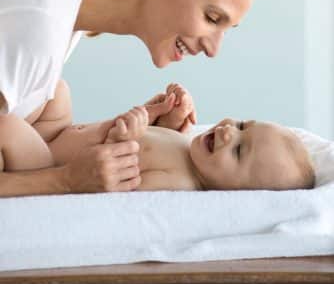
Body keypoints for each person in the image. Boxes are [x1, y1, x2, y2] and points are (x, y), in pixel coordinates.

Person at [0, 0, 267, 196]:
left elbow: (37, 139)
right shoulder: (41, 23)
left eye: (226, 29)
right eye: (212, 17)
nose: (213, 49)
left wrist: (114, 132)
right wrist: (65, 181)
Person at [1, 83, 315, 191]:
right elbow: (158, 138)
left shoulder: (179, 181)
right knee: (56, 91)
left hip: (42, 163)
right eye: (244, 125)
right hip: (55, 136)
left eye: (238, 151)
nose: (229, 132)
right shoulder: (189, 149)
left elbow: (113, 182)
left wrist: (123, 140)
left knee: (9, 128)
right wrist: (168, 115)